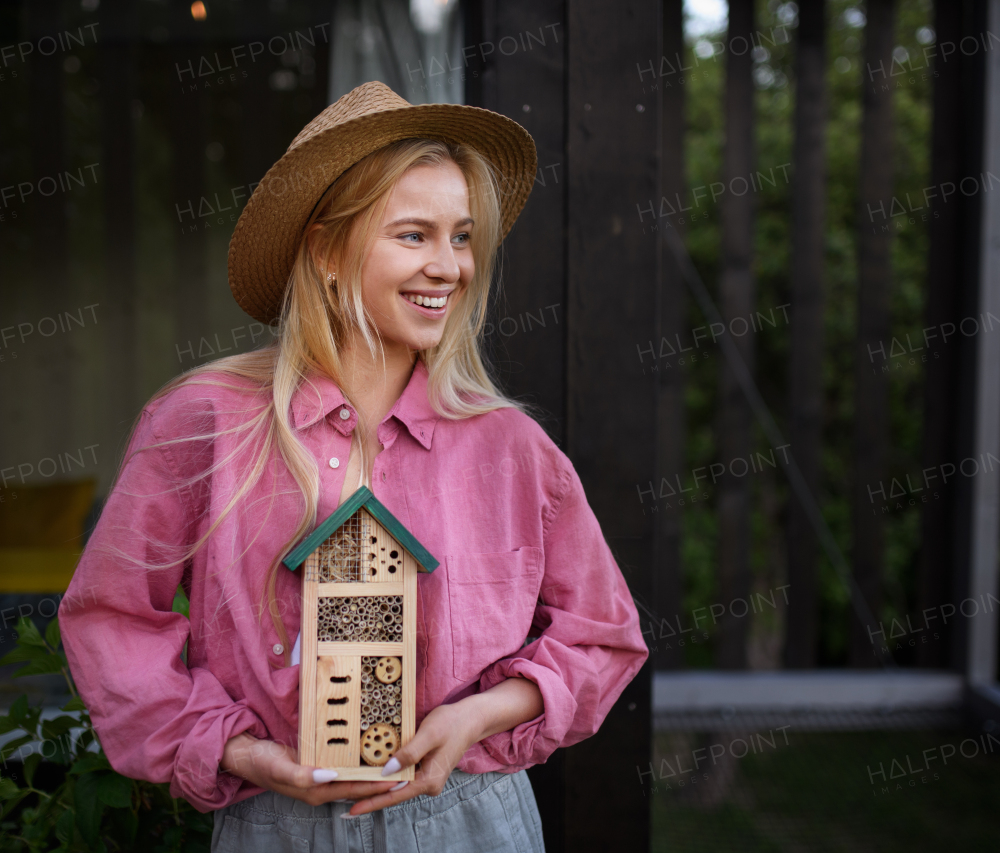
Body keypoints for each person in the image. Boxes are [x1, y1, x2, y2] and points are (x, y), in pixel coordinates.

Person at [59, 81, 648, 853]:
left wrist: (474, 715)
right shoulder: (202, 423)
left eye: (462, 237)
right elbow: (111, 620)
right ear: (327, 251)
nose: (450, 267)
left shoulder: (509, 447)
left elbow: (601, 635)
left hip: (471, 820)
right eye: (414, 235)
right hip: (274, 825)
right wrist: (239, 752)